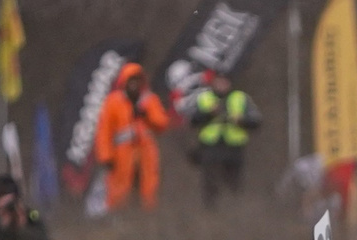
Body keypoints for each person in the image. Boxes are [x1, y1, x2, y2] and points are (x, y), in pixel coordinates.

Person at [97, 62, 170, 213]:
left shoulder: (149, 100)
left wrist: (146, 115)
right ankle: (120, 221)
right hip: (121, 155)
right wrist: (106, 156)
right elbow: (104, 130)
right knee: (120, 190)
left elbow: (162, 123)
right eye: (131, 81)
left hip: (146, 153)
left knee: (148, 189)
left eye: (137, 81)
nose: (134, 84)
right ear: (124, 82)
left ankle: (145, 220)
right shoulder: (113, 102)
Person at [181, 71, 262, 206]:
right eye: (218, 82)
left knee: (233, 180)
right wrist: (209, 113)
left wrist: (242, 121)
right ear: (213, 83)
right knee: (210, 179)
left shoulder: (241, 98)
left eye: (224, 82)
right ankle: (210, 208)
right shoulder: (203, 98)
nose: (221, 85)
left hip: (234, 146)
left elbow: (256, 121)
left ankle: (235, 206)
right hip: (210, 145)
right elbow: (192, 120)